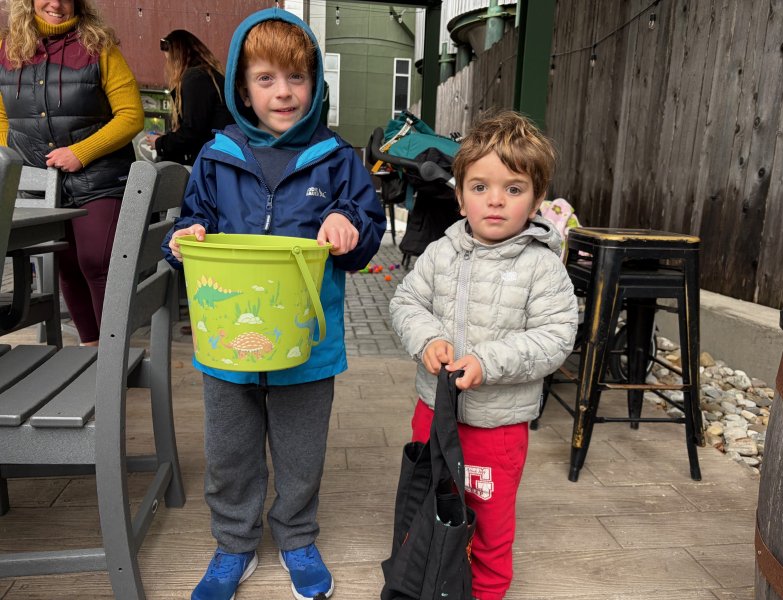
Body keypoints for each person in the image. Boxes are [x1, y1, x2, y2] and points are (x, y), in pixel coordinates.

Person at [162, 8, 385, 600]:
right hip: (226, 341)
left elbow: (367, 229)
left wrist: (349, 223)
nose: (282, 92)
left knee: (301, 450)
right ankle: (233, 543)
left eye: (296, 78)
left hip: (307, 341)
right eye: (265, 78)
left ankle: (296, 535)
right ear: (242, 85)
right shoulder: (216, 155)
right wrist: (182, 240)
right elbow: (194, 222)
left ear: (316, 84)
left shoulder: (338, 158)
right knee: (229, 451)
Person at [390, 110, 579, 600]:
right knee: (426, 504)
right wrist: (428, 338)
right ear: (459, 196)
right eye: (480, 187)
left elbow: (557, 337)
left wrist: (488, 362)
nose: (495, 200)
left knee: (489, 525)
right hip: (433, 413)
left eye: (513, 189)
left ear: (537, 199)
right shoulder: (441, 252)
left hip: (496, 429)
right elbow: (406, 301)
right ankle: (423, 578)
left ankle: (488, 592)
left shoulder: (542, 267)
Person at [0, 0, 144, 346]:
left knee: (97, 261)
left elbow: (131, 115)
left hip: (100, 177)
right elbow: (2, 117)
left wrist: (81, 152)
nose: (57, 3)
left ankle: (114, 355)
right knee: (65, 264)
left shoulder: (100, 46)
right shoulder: (8, 49)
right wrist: (19, 161)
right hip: (40, 183)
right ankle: (91, 349)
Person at [144, 29, 233, 165]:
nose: (169, 66)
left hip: (212, 160)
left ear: (177, 57)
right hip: (218, 156)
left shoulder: (196, 77)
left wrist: (160, 143)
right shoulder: (206, 74)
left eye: (169, 60)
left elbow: (193, 131)